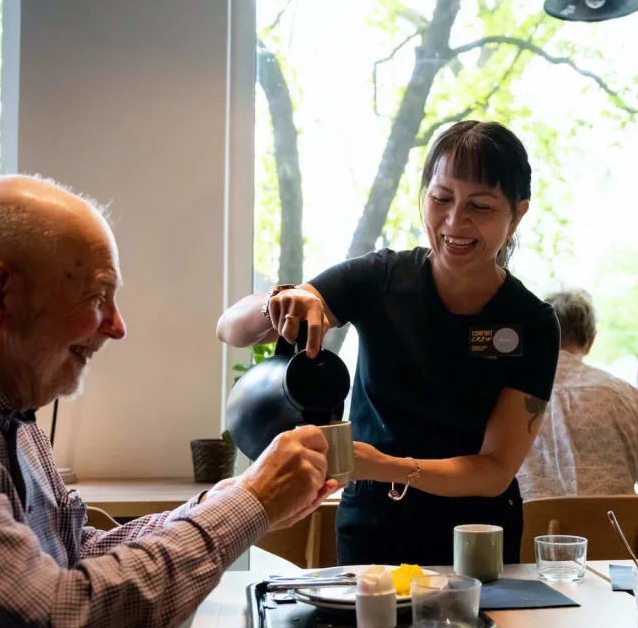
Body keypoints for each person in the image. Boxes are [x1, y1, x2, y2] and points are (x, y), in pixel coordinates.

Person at [0, 175, 337, 628]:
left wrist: (226, 499)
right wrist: (249, 504)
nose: (117, 326)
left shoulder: (7, 400)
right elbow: (51, 622)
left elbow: (71, 553)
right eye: (98, 296)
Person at [218, 120, 561, 566]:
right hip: (374, 527)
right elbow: (231, 328)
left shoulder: (531, 322)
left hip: (476, 538)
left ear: (518, 214)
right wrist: (279, 303)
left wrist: (383, 465)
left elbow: (494, 470)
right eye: (441, 199)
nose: (455, 221)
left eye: (480, 205)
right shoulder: (380, 279)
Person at [516, 290, 638, 500]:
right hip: (615, 531)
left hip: (532, 532)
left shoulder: (511, 393)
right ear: (590, 340)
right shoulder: (623, 395)